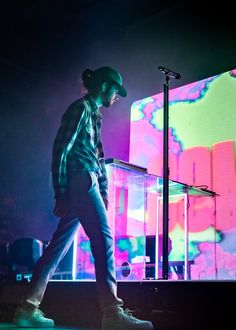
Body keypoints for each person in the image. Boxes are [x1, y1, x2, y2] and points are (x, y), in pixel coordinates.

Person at [13, 66, 154, 329]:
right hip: (80, 181)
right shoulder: (80, 109)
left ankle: (27, 308)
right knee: (104, 241)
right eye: (116, 91)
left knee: (57, 247)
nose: (117, 97)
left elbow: (98, 159)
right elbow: (61, 151)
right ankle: (112, 313)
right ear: (104, 86)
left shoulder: (94, 115)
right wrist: (61, 192)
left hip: (85, 183)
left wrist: (103, 191)